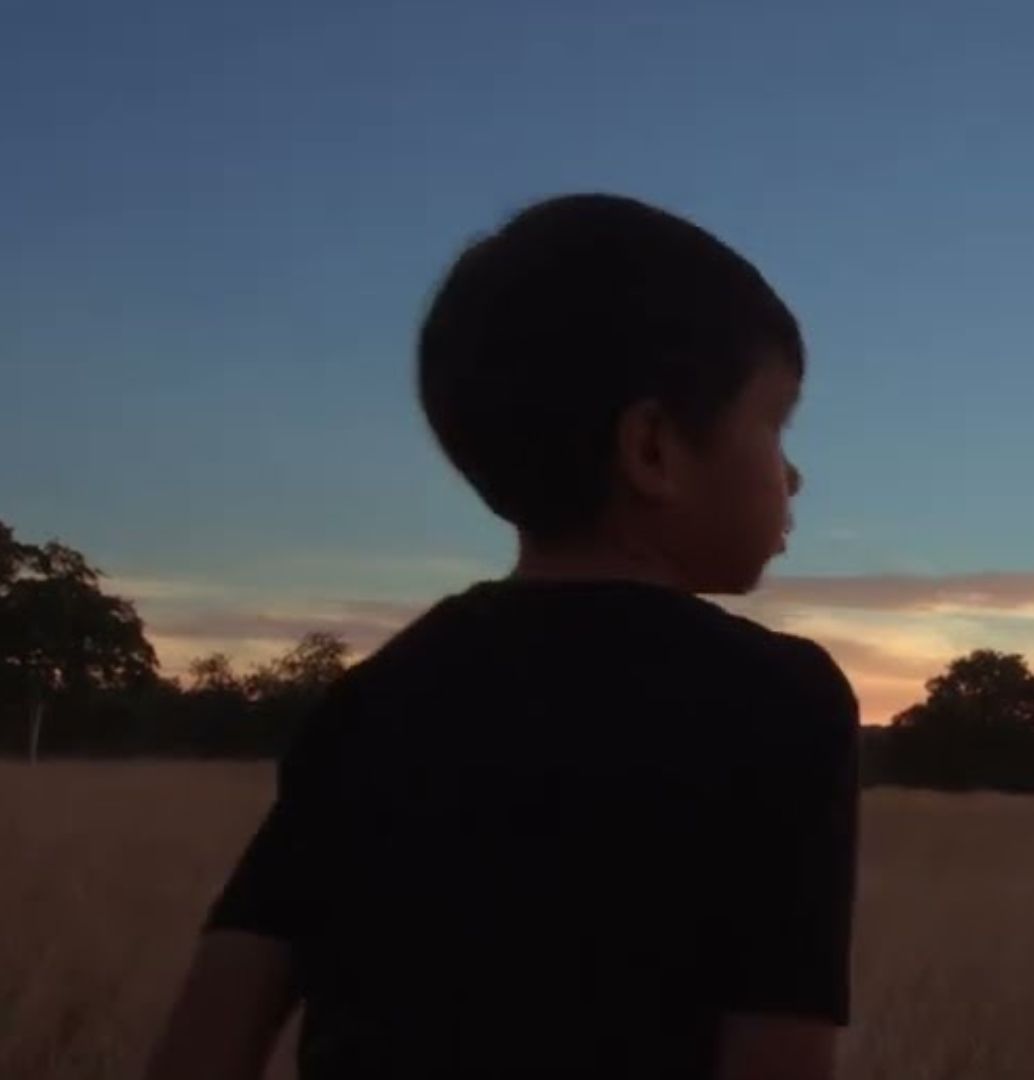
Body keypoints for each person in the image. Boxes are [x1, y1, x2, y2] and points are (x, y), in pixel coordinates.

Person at [145, 194, 860, 1080]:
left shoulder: (373, 698)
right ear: (652, 450)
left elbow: (205, 1043)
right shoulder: (781, 702)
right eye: (774, 423)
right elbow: (778, 1058)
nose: (793, 472)